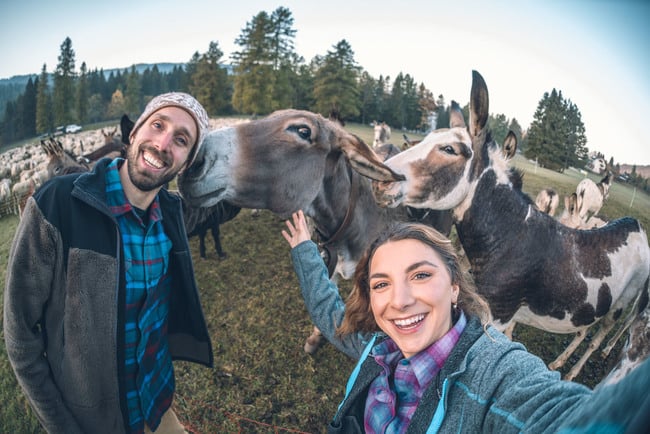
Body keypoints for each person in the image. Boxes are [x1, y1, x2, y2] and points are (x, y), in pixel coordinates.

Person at [281, 210, 650, 433]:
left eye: (421, 275)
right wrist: (304, 250)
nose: (399, 301)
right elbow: (330, 315)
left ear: (455, 287)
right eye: (381, 284)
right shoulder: (376, 345)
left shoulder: (494, 373)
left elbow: (555, 415)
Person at [4, 92, 214, 434]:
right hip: (92, 420)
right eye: (158, 125)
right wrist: (60, 426)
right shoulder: (57, 205)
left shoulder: (173, 216)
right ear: (134, 133)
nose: (162, 144)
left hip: (156, 404)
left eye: (180, 140)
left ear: (186, 162)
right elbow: (19, 336)